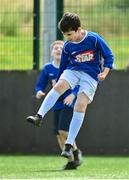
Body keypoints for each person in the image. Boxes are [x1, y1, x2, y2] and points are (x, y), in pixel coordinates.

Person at [27, 12, 114, 159]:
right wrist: (62, 78)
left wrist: (104, 73)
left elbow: (109, 56)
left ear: (79, 29)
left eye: (69, 34)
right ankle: (39, 116)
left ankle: (68, 146)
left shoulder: (93, 39)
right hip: (73, 70)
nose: (66, 38)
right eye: (64, 35)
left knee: (80, 106)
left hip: (90, 76)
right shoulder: (68, 46)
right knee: (58, 87)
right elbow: (63, 66)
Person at [27, 40, 82, 170]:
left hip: (68, 102)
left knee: (63, 130)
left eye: (61, 48)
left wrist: (73, 94)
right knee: (58, 134)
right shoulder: (47, 68)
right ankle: (71, 162)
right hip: (55, 104)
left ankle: (75, 152)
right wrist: (39, 92)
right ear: (51, 52)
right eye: (55, 48)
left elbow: (80, 82)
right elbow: (40, 85)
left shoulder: (70, 66)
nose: (58, 50)